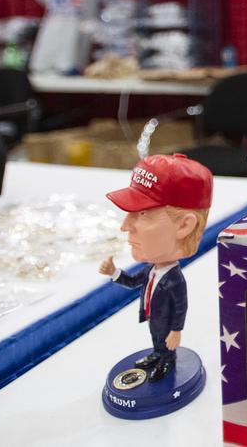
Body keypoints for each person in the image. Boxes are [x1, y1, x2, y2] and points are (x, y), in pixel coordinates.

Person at [99, 154, 213, 382]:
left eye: (142, 214)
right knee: (156, 337)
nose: (124, 226)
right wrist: (114, 273)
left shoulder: (175, 281)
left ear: (184, 226)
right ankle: (158, 354)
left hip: (165, 322)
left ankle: (167, 360)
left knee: (164, 338)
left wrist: (176, 331)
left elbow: (181, 306)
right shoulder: (151, 271)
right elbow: (133, 282)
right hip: (154, 319)